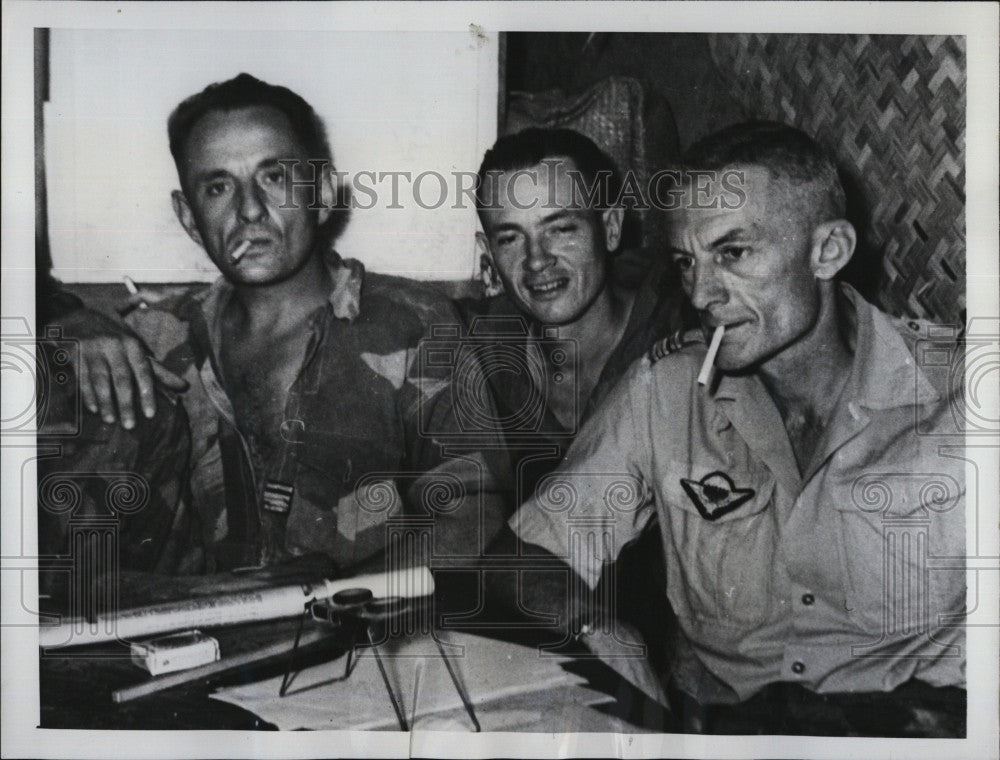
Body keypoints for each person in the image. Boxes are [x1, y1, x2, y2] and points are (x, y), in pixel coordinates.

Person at [503, 121, 966, 736]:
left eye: (733, 253)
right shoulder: (667, 393)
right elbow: (524, 557)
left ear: (827, 250)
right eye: (686, 262)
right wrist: (600, 632)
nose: (702, 291)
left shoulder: (962, 398)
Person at [67, 73, 512, 582]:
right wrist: (66, 322)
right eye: (218, 187)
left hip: (364, 643)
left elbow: (474, 520)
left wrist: (325, 603)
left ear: (322, 192)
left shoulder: (414, 323)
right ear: (189, 218)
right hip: (188, 648)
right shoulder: (156, 341)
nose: (249, 209)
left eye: (274, 177)